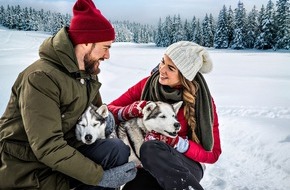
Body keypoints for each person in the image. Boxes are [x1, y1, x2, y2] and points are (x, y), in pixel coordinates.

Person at [0, 0, 137, 189]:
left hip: (66, 148)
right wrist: (100, 178)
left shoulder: (85, 73)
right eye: (106, 47)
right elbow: (48, 145)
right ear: (86, 42)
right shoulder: (41, 78)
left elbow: (94, 110)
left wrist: (105, 119)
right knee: (100, 180)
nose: (107, 56)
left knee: (117, 150)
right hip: (30, 167)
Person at [108, 41, 222, 190]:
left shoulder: (202, 101)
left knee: (151, 147)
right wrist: (130, 110)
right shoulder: (147, 85)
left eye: (171, 68)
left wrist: (176, 142)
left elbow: (213, 154)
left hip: (186, 165)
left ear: (184, 75)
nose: (161, 69)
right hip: (147, 165)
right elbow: (108, 112)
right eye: (162, 61)